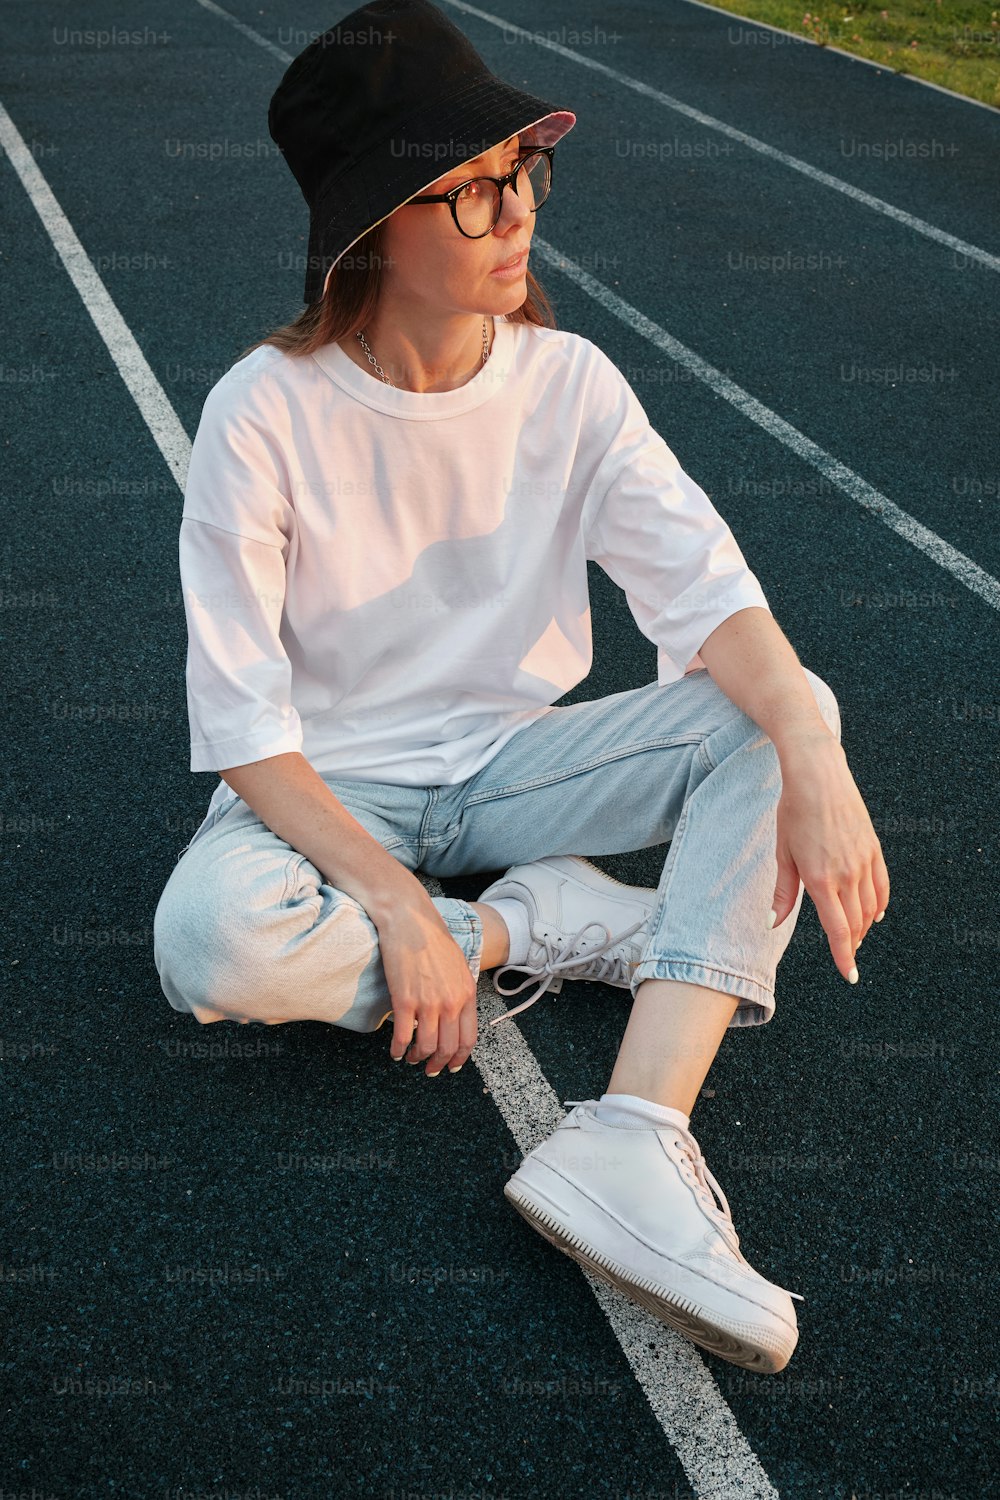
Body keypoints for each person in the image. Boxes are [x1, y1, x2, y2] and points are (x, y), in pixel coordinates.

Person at [152, 0, 890, 1375]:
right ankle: (544, 930)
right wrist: (395, 907)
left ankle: (632, 1135)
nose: (518, 214)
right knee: (210, 943)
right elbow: (244, 729)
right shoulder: (263, 409)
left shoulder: (573, 386)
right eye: (475, 190)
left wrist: (812, 747)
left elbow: (711, 594)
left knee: (785, 710)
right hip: (330, 785)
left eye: (521, 176)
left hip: (512, 772)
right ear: (377, 224)